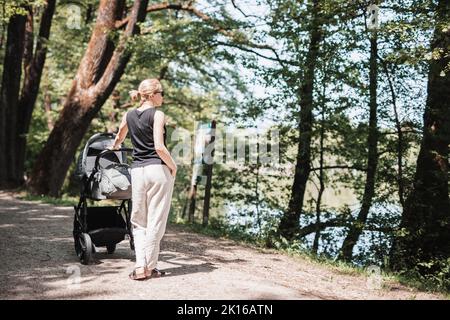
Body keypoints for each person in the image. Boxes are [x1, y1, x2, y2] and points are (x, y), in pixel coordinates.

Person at [109, 78, 177, 280]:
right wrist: (173, 166)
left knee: (138, 222)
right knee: (156, 221)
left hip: (137, 171)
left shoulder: (129, 114)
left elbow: (120, 137)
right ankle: (150, 267)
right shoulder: (158, 114)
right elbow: (159, 146)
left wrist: (114, 146)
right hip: (158, 170)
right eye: (161, 92)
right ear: (153, 95)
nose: (163, 96)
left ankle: (140, 267)